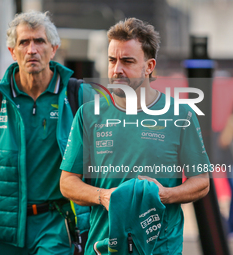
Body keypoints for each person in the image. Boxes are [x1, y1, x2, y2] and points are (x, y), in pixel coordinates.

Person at [0, 11, 93, 255]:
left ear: (53, 49)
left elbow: (109, 154)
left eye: (39, 41)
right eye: (24, 42)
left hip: (56, 224)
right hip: (4, 227)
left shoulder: (78, 96)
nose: (32, 49)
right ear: (13, 51)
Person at [60, 17, 210, 254]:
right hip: (103, 247)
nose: (117, 69)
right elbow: (67, 183)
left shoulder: (181, 115)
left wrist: (166, 195)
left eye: (127, 61)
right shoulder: (88, 115)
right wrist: (103, 196)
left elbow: (201, 182)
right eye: (112, 60)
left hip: (161, 248)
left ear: (149, 66)